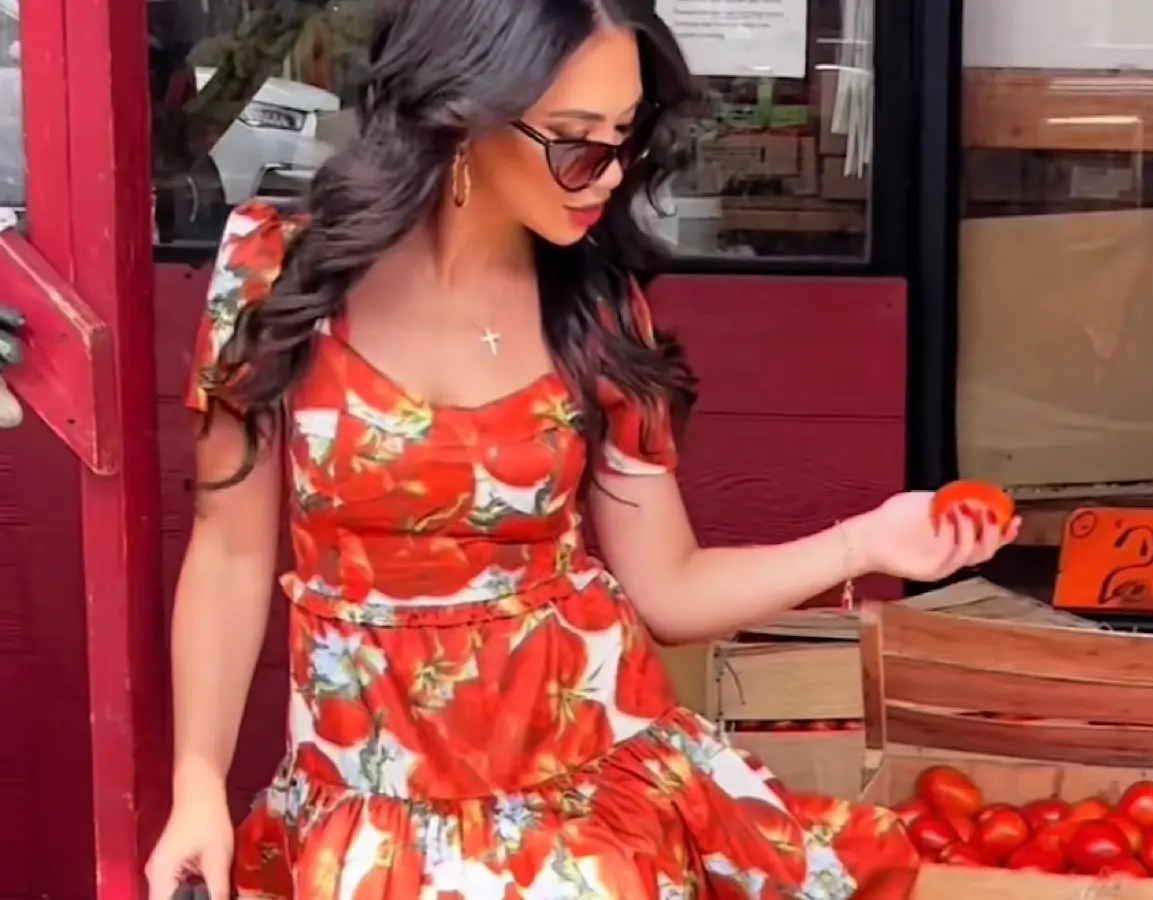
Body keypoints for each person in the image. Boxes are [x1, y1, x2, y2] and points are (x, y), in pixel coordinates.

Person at [142, 0, 1021, 897]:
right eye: (574, 140)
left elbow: (668, 589)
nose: (606, 175)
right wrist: (197, 784)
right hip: (363, 795)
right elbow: (231, 552)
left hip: (584, 785)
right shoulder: (274, 271)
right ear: (463, 112)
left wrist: (868, 541)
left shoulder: (595, 312)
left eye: (625, 138)